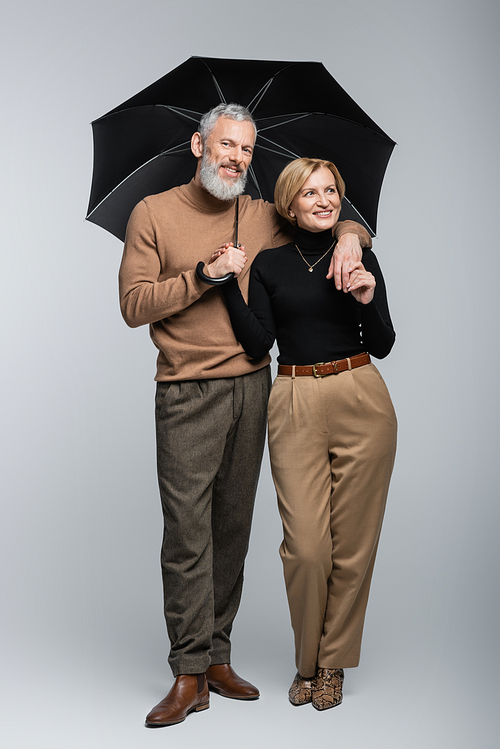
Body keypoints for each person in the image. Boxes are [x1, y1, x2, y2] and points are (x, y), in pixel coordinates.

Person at [118, 104, 372, 726]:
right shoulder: (152, 213)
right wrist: (203, 275)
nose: (236, 158)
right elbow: (132, 304)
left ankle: (217, 657)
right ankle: (187, 672)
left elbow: (330, 219)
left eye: (247, 151)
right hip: (185, 391)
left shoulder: (259, 216)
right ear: (198, 143)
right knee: (187, 533)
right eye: (226, 145)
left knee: (233, 524)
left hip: (256, 387)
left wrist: (347, 236)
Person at [218, 157, 397, 711]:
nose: (323, 200)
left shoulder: (359, 253)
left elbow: (385, 341)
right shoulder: (270, 264)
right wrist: (227, 282)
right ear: (289, 203)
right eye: (310, 192)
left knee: (353, 547)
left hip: (361, 394)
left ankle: (331, 666)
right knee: (307, 549)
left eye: (332, 191)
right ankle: (306, 660)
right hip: (293, 397)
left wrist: (367, 297)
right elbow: (256, 344)